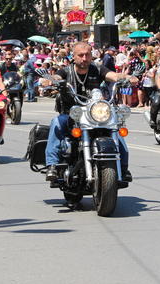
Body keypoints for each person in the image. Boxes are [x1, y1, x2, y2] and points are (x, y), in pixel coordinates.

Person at [43, 41, 136, 182]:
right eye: (81, 55)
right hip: (72, 115)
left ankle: (123, 167)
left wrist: (127, 77)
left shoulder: (97, 69)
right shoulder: (66, 71)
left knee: (116, 128)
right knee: (56, 122)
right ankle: (52, 165)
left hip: (94, 114)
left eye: (87, 55)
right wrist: (50, 80)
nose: (84, 58)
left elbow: (114, 76)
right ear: (73, 56)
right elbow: (56, 77)